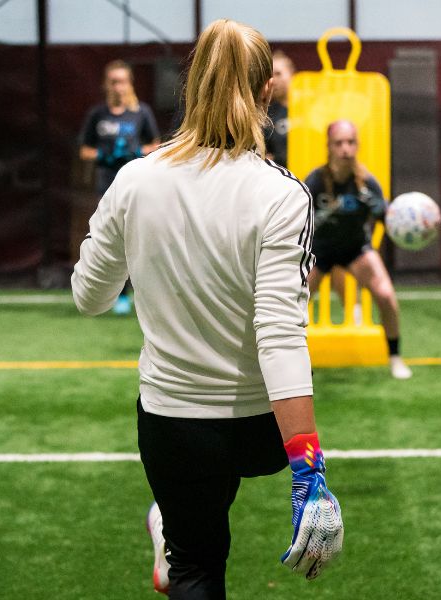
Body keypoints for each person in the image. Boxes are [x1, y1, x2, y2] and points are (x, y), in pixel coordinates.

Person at [72, 19, 343, 600]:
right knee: (210, 502)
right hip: (259, 430)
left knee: (195, 569)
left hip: (172, 422)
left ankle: (175, 528)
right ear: (267, 92)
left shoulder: (133, 182)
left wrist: (119, 227)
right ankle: (178, 522)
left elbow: (89, 297)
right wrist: (309, 469)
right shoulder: (282, 194)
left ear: (190, 89)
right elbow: (280, 337)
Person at [305, 120, 413, 380]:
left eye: (351, 142)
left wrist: (393, 214)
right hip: (320, 249)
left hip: (355, 248)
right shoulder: (315, 181)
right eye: (339, 143)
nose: (345, 149)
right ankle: (294, 363)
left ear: (357, 145)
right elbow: (299, 219)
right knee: (294, 303)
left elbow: (387, 218)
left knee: (386, 295)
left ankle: (395, 357)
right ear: (329, 147)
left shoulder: (367, 184)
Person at [78, 59, 160, 314]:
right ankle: (118, 294)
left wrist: (136, 151)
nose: (118, 87)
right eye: (113, 81)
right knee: (112, 239)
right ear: (106, 85)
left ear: (130, 84)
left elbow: (156, 146)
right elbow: (85, 151)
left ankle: (146, 292)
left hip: (136, 185)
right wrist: (105, 155)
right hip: (107, 187)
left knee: (141, 236)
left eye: (122, 81)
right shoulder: (97, 115)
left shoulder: (141, 113)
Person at [263, 50, 295, 168]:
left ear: (292, 74)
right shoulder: (267, 115)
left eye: (278, 74)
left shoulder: (310, 109)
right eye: (270, 76)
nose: (274, 80)